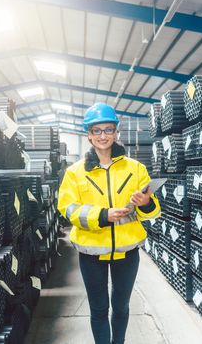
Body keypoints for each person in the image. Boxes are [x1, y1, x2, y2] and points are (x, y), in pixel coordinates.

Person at [57, 102, 161, 344]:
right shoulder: (74, 173)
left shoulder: (136, 169)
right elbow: (67, 209)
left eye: (108, 129)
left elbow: (152, 211)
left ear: (116, 132)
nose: (102, 136)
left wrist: (146, 202)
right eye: (96, 130)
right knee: (99, 309)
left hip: (127, 252)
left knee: (122, 306)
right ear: (89, 134)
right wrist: (102, 216)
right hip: (91, 252)